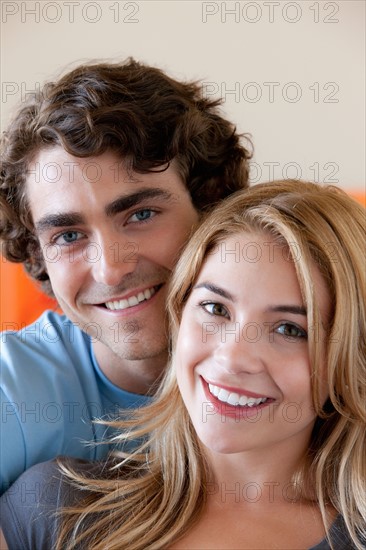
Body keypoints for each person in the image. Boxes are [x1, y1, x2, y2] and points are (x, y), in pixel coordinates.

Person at [1, 179, 365, 550]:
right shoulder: (56, 506)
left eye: (289, 329)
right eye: (215, 308)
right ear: (178, 313)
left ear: (348, 360)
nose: (232, 357)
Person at [0, 57, 252, 495]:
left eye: (141, 214)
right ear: (40, 254)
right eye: (69, 234)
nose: (111, 268)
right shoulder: (15, 391)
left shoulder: (302, 358)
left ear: (211, 206)